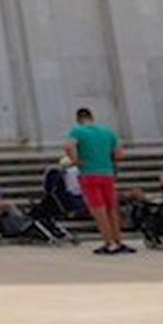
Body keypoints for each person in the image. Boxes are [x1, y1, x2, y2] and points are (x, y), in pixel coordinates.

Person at [65, 106, 133, 256]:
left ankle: (108, 243)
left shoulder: (77, 131)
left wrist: (76, 160)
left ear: (78, 119)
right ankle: (119, 241)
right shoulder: (108, 132)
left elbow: (68, 146)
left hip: (89, 174)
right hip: (107, 174)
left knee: (98, 210)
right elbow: (120, 154)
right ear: (92, 117)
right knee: (111, 209)